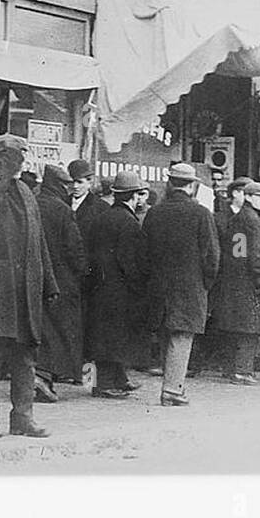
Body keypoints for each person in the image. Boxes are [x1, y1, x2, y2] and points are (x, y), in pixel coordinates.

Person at [0, 134, 59, 438]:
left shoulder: (26, 191)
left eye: (23, 156)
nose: (23, 161)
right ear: (0, 160)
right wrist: (8, 168)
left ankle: (23, 417)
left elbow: (39, 241)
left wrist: (49, 282)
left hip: (25, 292)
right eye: (16, 156)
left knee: (25, 359)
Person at [142, 163, 220, 406]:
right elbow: (212, 256)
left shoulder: (155, 212)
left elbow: (144, 252)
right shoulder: (201, 214)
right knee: (182, 335)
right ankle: (173, 389)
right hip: (189, 285)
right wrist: (206, 283)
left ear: (169, 183)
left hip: (159, 285)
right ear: (192, 185)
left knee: (167, 333)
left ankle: (172, 383)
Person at [84, 170, 148, 400]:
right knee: (115, 336)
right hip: (119, 289)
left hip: (97, 285)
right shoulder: (129, 223)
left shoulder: (100, 218)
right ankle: (104, 385)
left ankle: (110, 380)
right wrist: (138, 286)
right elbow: (130, 261)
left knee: (99, 335)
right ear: (133, 196)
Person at [209, 178, 260, 386]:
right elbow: (256, 254)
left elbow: (238, 251)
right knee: (249, 328)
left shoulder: (238, 218)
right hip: (250, 280)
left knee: (234, 327)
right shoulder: (253, 221)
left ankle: (230, 369)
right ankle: (243, 371)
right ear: (250, 198)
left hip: (234, 277)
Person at [33, 164, 87, 402]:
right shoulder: (62, 210)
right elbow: (74, 248)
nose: (69, 189)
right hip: (61, 280)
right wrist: (83, 270)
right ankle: (44, 377)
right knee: (59, 330)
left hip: (33, 277)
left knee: (39, 328)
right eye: (66, 184)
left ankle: (36, 375)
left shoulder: (31, 203)